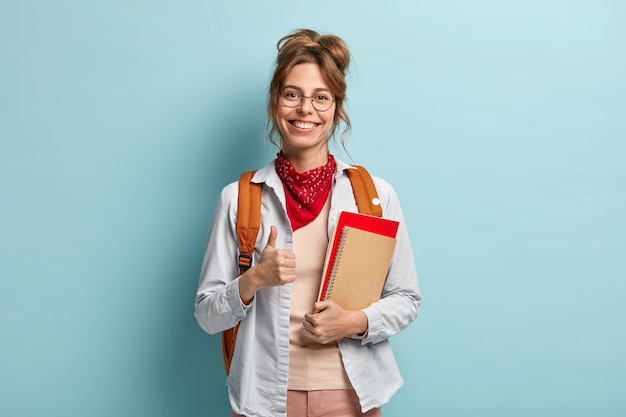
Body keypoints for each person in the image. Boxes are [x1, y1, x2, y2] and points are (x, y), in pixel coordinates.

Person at [195, 28, 421, 417]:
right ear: (275, 101)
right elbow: (207, 315)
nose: (305, 110)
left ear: (336, 108)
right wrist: (253, 280)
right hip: (264, 399)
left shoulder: (374, 196)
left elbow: (406, 299)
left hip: (351, 396)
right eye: (292, 95)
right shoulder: (239, 198)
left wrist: (355, 321)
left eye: (321, 97)